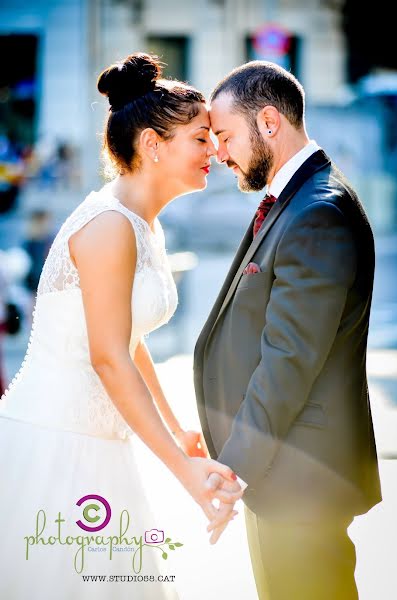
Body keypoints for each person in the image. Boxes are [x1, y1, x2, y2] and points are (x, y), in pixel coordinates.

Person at [0, 53, 243, 600]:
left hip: (99, 442)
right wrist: (182, 470)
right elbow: (108, 358)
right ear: (154, 145)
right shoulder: (110, 226)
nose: (217, 151)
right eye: (202, 139)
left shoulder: (140, 224)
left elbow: (129, 344)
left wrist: (177, 427)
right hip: (57, 443)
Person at [195, 61, 382, 599]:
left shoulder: (317, 212)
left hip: (298, 480)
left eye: (226, 136)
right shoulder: (295, 201)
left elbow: (289, 360)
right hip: (281, 472)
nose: (221, 153)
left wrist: (234, 471)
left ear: (270, 122)